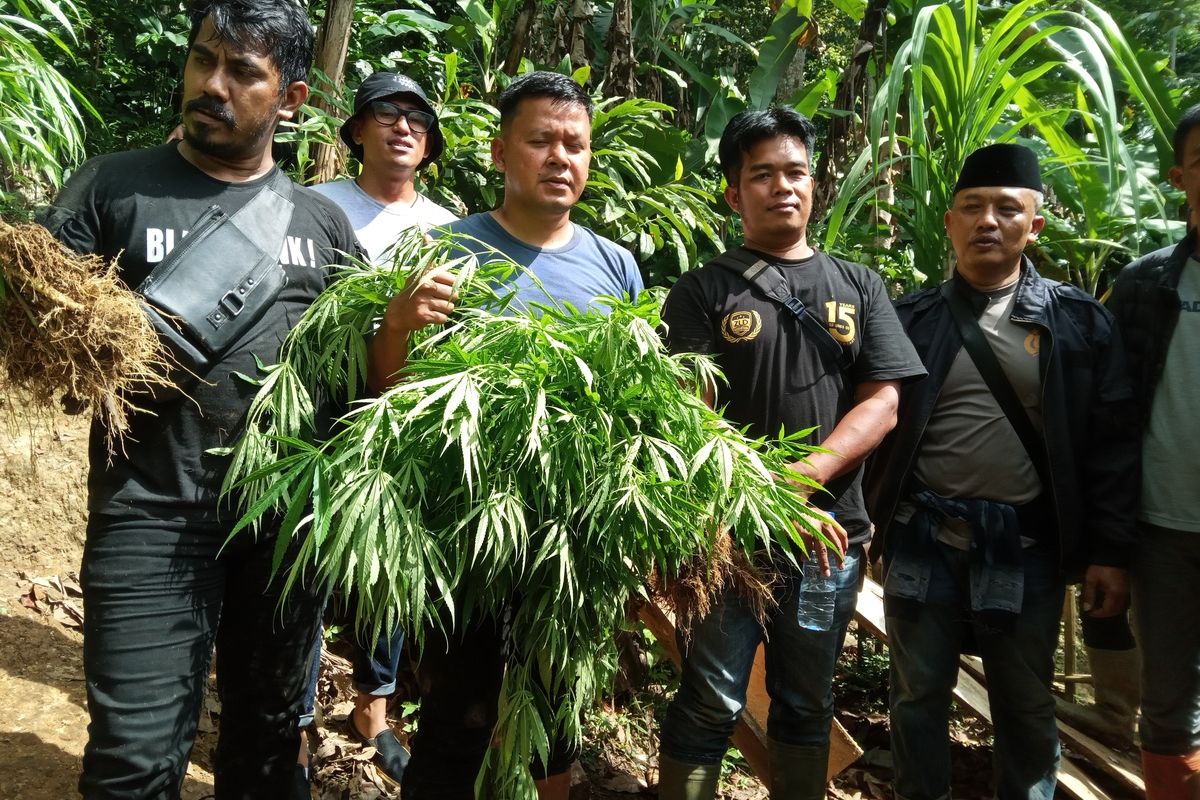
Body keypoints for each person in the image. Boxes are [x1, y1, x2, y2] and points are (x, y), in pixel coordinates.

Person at [37, 2, 360, 797]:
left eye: (243, 71)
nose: (212, 84)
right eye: (202, 59)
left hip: (281, 528)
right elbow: (43, 346)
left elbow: (362, 380)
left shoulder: (322, 225)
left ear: (291, 100)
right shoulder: (110, 188)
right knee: (135, 761)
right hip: (149, 515)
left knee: (265, 746)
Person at [367, 70, 642, 799]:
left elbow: (636, 405)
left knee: (554, 721)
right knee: (456, 717)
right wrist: (396, 322)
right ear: (498, 152)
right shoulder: (446, 249)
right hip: (467, 536)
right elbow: (391, 392)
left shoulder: (616, 267)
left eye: (575, 144)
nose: (560, 158)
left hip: (571, 540)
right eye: (541, 140)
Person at [655, 107, 927, 799]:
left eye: (796, 172)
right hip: (728, 537)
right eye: (763, 174)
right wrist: (766, 501)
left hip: (827, 543)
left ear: (814, 184)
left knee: (806, 703)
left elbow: (883, 402)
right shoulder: (702, 290)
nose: (783, 186)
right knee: (710, 699)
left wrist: (805, 477)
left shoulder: (860, 285)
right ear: (733, 193)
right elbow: (691, 415)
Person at [865, 143, 1139, 800]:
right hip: (923, 539)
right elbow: (874, 427)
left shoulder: (1078, 323)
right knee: (916, 697)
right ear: (951, 223)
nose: (988, 221)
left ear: (1034, 225)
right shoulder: (909, 319)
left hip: (1026, 545)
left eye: (1007, 209)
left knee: (1024, 702)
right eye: (972, 207)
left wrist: (1109, 551)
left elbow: (1113, 444)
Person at [303, 70, 457, 788]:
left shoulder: (450, 228)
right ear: (357, 130)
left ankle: (374, 706)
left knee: (387, 558)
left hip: (403, 411)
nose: (403, 126)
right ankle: (296, 711)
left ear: (428, 145)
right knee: (307, 553)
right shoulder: (313, 207)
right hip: (320, 402)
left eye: (417, 120)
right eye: (387, 113)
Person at [1107, 102, 1200, 797]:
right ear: (1179, 178)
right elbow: (1110, 416)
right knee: (1169, 705)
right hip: (1165, 530)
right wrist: (1108, 541)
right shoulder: (1144, 284)